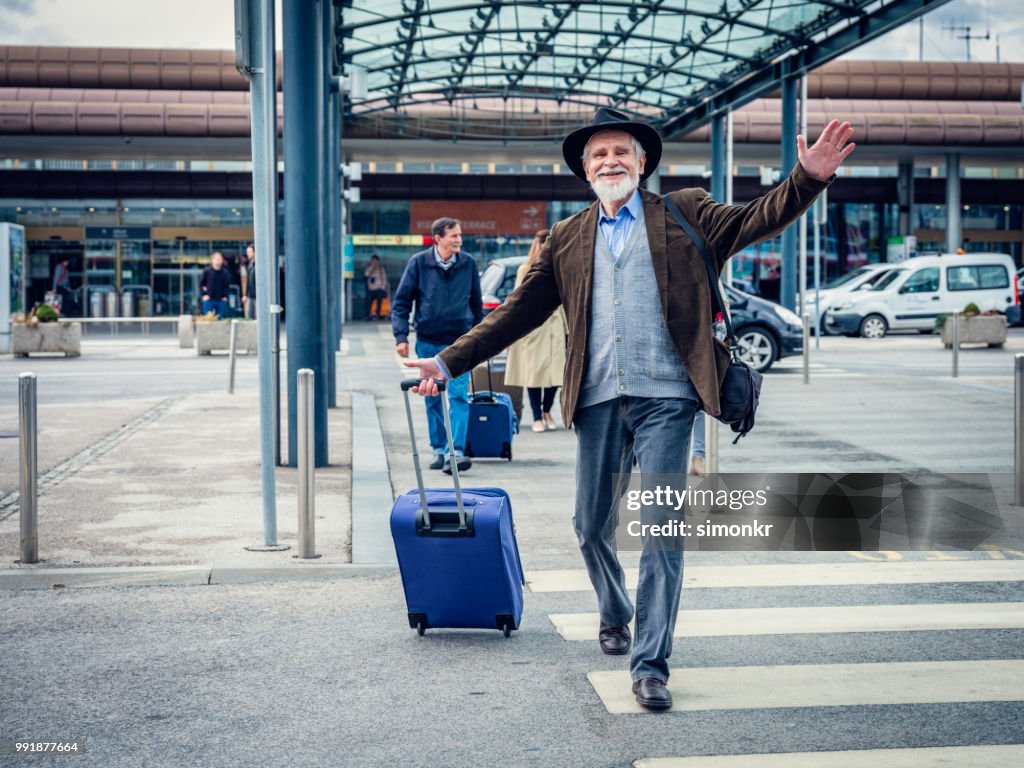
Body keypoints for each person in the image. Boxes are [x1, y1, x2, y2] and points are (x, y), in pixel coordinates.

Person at [404, 108, 854, 710]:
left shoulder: (686, 213)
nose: (610, 160)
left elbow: (757, 219)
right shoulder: (566, 238)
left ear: (642, 164)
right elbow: (515, 313)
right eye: (598, 154)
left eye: (621, 151)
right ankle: (614, 608)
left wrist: (807, 179)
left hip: (668, 399)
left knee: (661, 532)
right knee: (590, 526)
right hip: (595, 401)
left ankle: (650, 665)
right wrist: (447, 363)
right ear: (585, 171)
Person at [392, 217, 483, 474]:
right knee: (432, 398)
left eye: (460, 235)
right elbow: (401, 304)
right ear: (438, 238)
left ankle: (456, 452)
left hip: (460, 343)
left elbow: (477, 306)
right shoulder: (419, 264)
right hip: (428, 342)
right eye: (454, 236)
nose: (459, 240)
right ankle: (439, 449)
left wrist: (479, 341)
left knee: (457, 396)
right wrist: (401, 337)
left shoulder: (468, 263)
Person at [504, 228, 567, 433]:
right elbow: (519, 298)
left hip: (556, 325)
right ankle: (537, 416)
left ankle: (547, 410)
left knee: (556, 374)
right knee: (534, 373)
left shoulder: (561, 265)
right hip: (535, 326)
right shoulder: (526, 268)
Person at [199, 251, 232, 317]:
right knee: (208, 318)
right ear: (212, 260)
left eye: (220, 259)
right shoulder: (207, 271)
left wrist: (225, 296)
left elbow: (227, 286)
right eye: (217, 259)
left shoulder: (225, 273)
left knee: (222, 318)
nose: (218, 261)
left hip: (221, 299)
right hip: (209, 299)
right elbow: (202, 285)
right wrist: (204, 295)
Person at [363, 254, 388, 320]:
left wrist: (382, 287)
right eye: (372, 260)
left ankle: (378, 315)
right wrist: (372, 267)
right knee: (368, 302)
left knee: (379, 303)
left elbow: (384, 278)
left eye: (375, 260)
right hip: (371, 289)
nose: (373, 262)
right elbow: (366, 274)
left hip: (379, 289)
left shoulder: (381, 269)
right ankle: (368, 315)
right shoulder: (369, 267)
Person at [242, 244, 256, 319]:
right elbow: (248, 281)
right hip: (250, 295)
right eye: (247, 252)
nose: (248, 254)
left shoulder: (260, 265)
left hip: (258, 296)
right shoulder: (250, 265)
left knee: (257, 315)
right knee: (249, 315)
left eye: (250, 252)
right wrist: (246, 294)